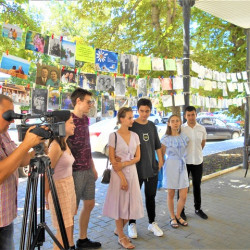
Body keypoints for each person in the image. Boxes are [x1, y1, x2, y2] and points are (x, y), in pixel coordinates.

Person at [0, 94, 46, 250]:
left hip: (5, 216)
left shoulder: (4, 133)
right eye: (8, 115)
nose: (12, 120)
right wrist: (26, 144)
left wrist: (36, 148)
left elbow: (19, 159)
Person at [103, 107, 143, 249]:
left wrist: (125, 163)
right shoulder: (113, 136)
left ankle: (118, 229)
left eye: (132, 117)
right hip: (118, 174)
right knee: (120, 205)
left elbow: (138, 157)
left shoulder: (135, 136)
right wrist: (122, 177)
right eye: (130, 118)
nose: (132, 120)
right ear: (121, 119)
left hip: (132, 172)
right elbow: (113, 160)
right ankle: (121, 236)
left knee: (132, 204)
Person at [68, 88, 101, 249]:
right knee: (71, 210)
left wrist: (93, 167)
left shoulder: (86, 120)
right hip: (74, 171)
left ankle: (83, 239)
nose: (91, 104)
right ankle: (69, 243)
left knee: (89, 204)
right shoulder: (68, 120)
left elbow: (87, 145)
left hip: (87, 169)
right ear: (78, 101)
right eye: (88, 101)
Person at [128, 98, 164, 238]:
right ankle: (132, 224)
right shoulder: (132, 126)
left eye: (147, 111)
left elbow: (157, 145)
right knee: (134, 198)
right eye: (141, 111)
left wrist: (160, 161)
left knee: (151, 197)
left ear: (150, 110)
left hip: (152, 168)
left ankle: (152, 223)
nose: (144, 114)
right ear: (137, 110)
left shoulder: (151, 126)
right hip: (135, 169)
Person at [45, 112, 76, 249]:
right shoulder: (55, 146)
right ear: (61, 125)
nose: (74, 125)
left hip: (68, 186)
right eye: (71, 122)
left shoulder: (65, 143)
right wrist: (46, 197)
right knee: (62, 232)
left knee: (68, 229)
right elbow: (47, 174)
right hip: (59, 189)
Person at [161, 115, 189, 229]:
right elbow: (161, 155)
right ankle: (172, 217)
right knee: (171, 193)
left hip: (182, 165)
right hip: (171, 165)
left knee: (183, 195)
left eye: (177, 121)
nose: (175, 123)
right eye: (172, 121)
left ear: (180, 122)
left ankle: (178, 215)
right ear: (168, 123)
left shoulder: (184, 137)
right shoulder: (165, 138)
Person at [180, 106, 208, 220]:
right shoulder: (181, 128)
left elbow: (203, 143)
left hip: (197, 161)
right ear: (185, 116)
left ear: (196, 114)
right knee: (183, 187)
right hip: (184, 162)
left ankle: (198, 209)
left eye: (193, 114)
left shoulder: (202, 128)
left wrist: (196, 153)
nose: (191, 117)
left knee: (197, 186)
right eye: (188, 115)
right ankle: (181, 211)